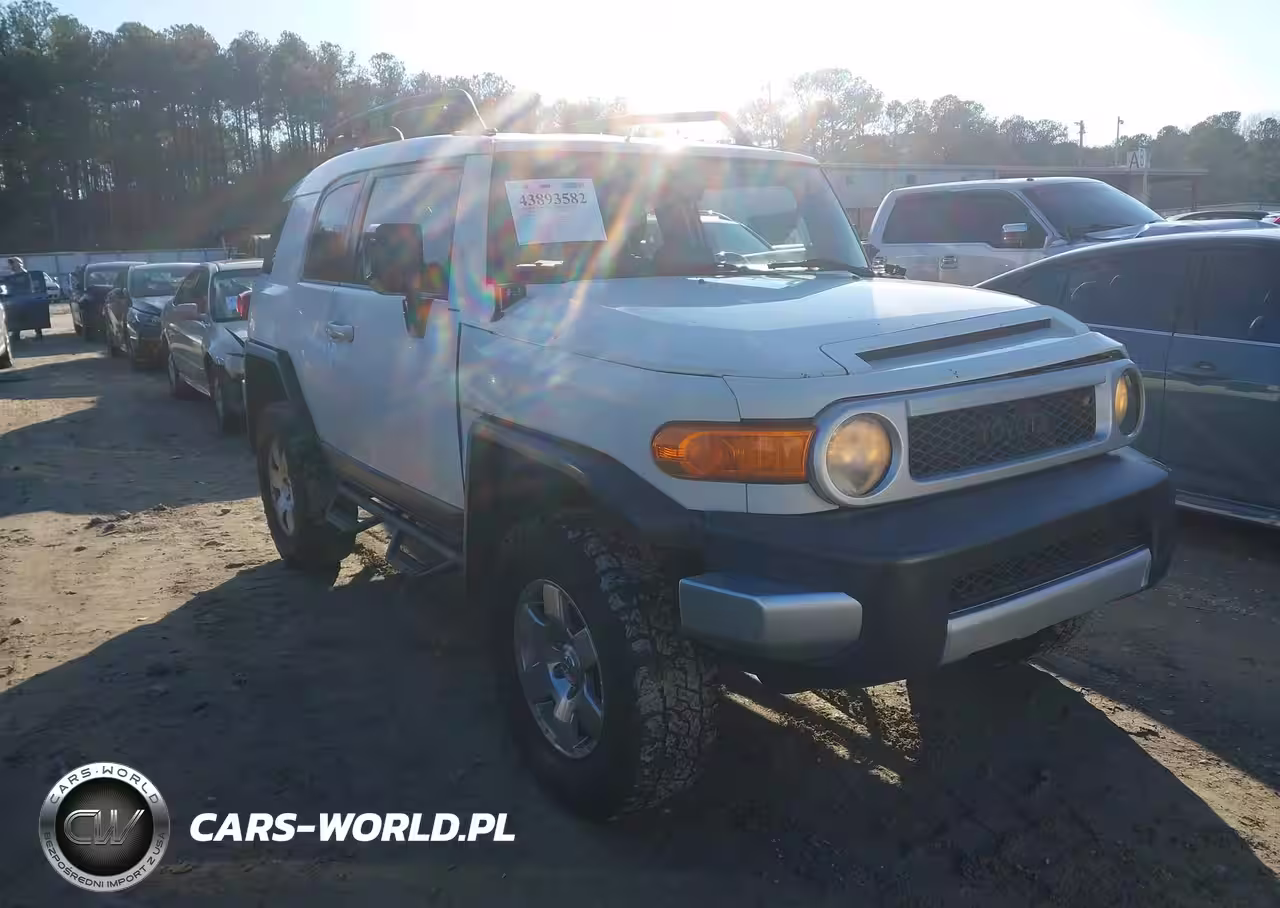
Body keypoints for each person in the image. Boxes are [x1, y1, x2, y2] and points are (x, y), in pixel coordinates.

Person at [5, 257, 42, 340]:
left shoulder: (23, 273)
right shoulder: (14, 274)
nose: (11, 266)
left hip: (26, 297)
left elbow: (22, 284)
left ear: (17, 264)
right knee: (17, 316)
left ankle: (38, 333)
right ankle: (16, 334)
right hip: (17, 298)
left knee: (31, 317)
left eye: (12, 264)